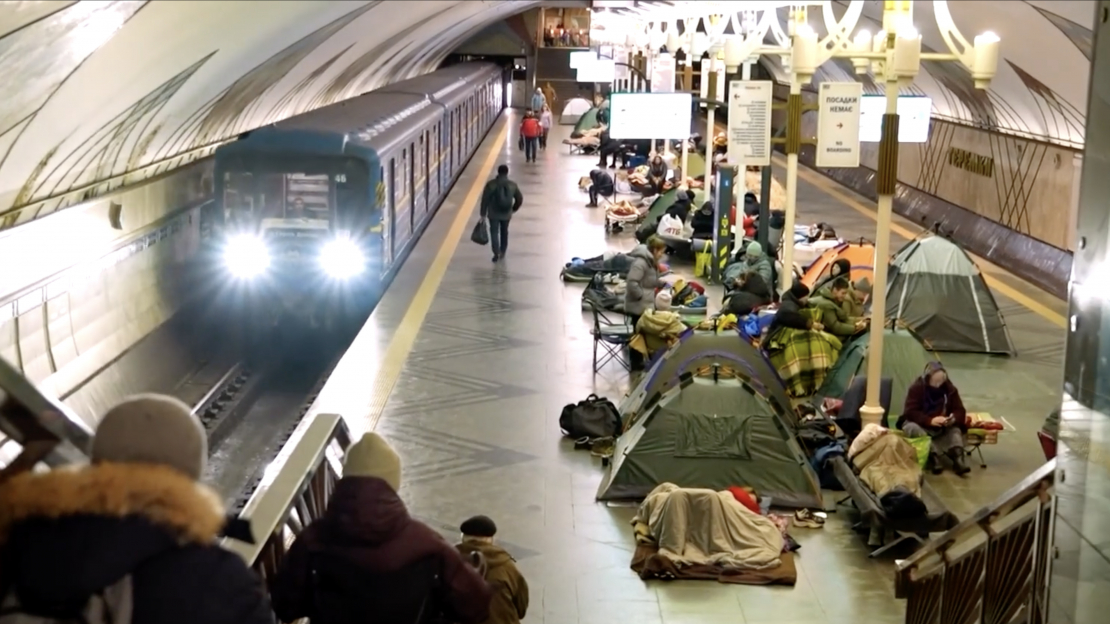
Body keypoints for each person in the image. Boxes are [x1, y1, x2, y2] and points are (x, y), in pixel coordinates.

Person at [0, 394, 275, 624]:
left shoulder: (20, 545)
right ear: (191, 473)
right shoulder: (219, 580)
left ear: (97, 462)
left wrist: (28, 457)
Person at [271, 432, 493, 624]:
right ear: (392, 484)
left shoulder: (312, 541)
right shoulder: (427, 543)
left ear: (345, 479)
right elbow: (476, 607)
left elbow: (285, 606)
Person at [899, 362, 971, 476]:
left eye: (941, 381)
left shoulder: (950, 390)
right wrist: (929, 421)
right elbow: (910, 412)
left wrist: (952, 418)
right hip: (922, 424)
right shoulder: (917, 388)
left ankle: (958, 460)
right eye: (935, 381)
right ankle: (934, 458)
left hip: (943, 427)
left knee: (955, 431)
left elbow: (960, 410)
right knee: (911, 427)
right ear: (928, 378)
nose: (938, 384)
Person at [455, 516, 529, 624]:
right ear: (490, 540)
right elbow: (521, 608)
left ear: (463, 538)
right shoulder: (507, 567)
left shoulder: (448, 563)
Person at [625, 236, 668, 370]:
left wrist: (661, 283)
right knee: (638, 334)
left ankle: (640, 360)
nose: (662, 254)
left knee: (642, 332)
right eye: (661, 251)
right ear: (655, 250)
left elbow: (648, 280)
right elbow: (632, 282)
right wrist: (641, 296)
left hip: (645, 303)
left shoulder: (650, 262)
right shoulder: (641, 263)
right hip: (638, 305)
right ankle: (636, 363)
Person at [480, 165, 523, 262]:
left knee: (494, 232)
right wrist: (513, 209)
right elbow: (519, 199)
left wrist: (483, 214)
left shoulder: (491, 184)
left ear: (498, 172)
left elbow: (485, 200)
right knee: (504, 232)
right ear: (507, 173)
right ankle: (503, 251)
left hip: (493, 213)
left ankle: (496, 252)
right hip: (506, 214)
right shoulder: (513, 185)